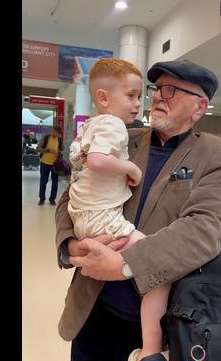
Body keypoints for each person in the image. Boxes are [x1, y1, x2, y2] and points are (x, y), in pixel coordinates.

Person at [55, 59, 221, 361]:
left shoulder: (215, 154)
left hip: (156, 324)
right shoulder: (124, 136)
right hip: (93, 310)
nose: (157, 97)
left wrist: (124, 265)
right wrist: (71, 244)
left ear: (199, 107)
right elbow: (71, 195)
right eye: (157, 88)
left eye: (172, 90)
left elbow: (206, 229)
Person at [67, 58, 170, 361]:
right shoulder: (116, 127)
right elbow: (98, 162)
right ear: (103, 97)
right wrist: (131, 169)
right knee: (157, 268)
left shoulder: (91, 126)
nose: (140, 103)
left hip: (85, 216)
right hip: (102, 227)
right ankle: (151, 349)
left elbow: (82, 165)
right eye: (132, 96)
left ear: (200, 105)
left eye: (140, 95)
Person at [36, 125, 63, 206]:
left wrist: (59, 153)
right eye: (56, 133)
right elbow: (38, 148)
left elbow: (62, 150)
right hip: (45, 163)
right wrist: (48, 150)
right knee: (43, 181)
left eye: (58, 134)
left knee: (55, 182)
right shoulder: (46, 137)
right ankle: (42, 198)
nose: (57, 135)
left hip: (55, 164)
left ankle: (52, 199)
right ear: (53, 131)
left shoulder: (60, 140)